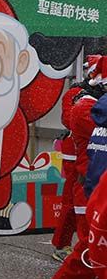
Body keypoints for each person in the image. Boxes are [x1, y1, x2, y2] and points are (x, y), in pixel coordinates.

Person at [39, 56, 107, 279]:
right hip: (92, 190)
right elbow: (74, 120)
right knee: (88, 255)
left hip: (91, 186)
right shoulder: (85, 105)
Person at [52, 55, 101, 262]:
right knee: (72, 202)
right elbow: (68, 119)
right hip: (75, 155)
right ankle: (62, 244)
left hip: (92, 156)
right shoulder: (76, 93)